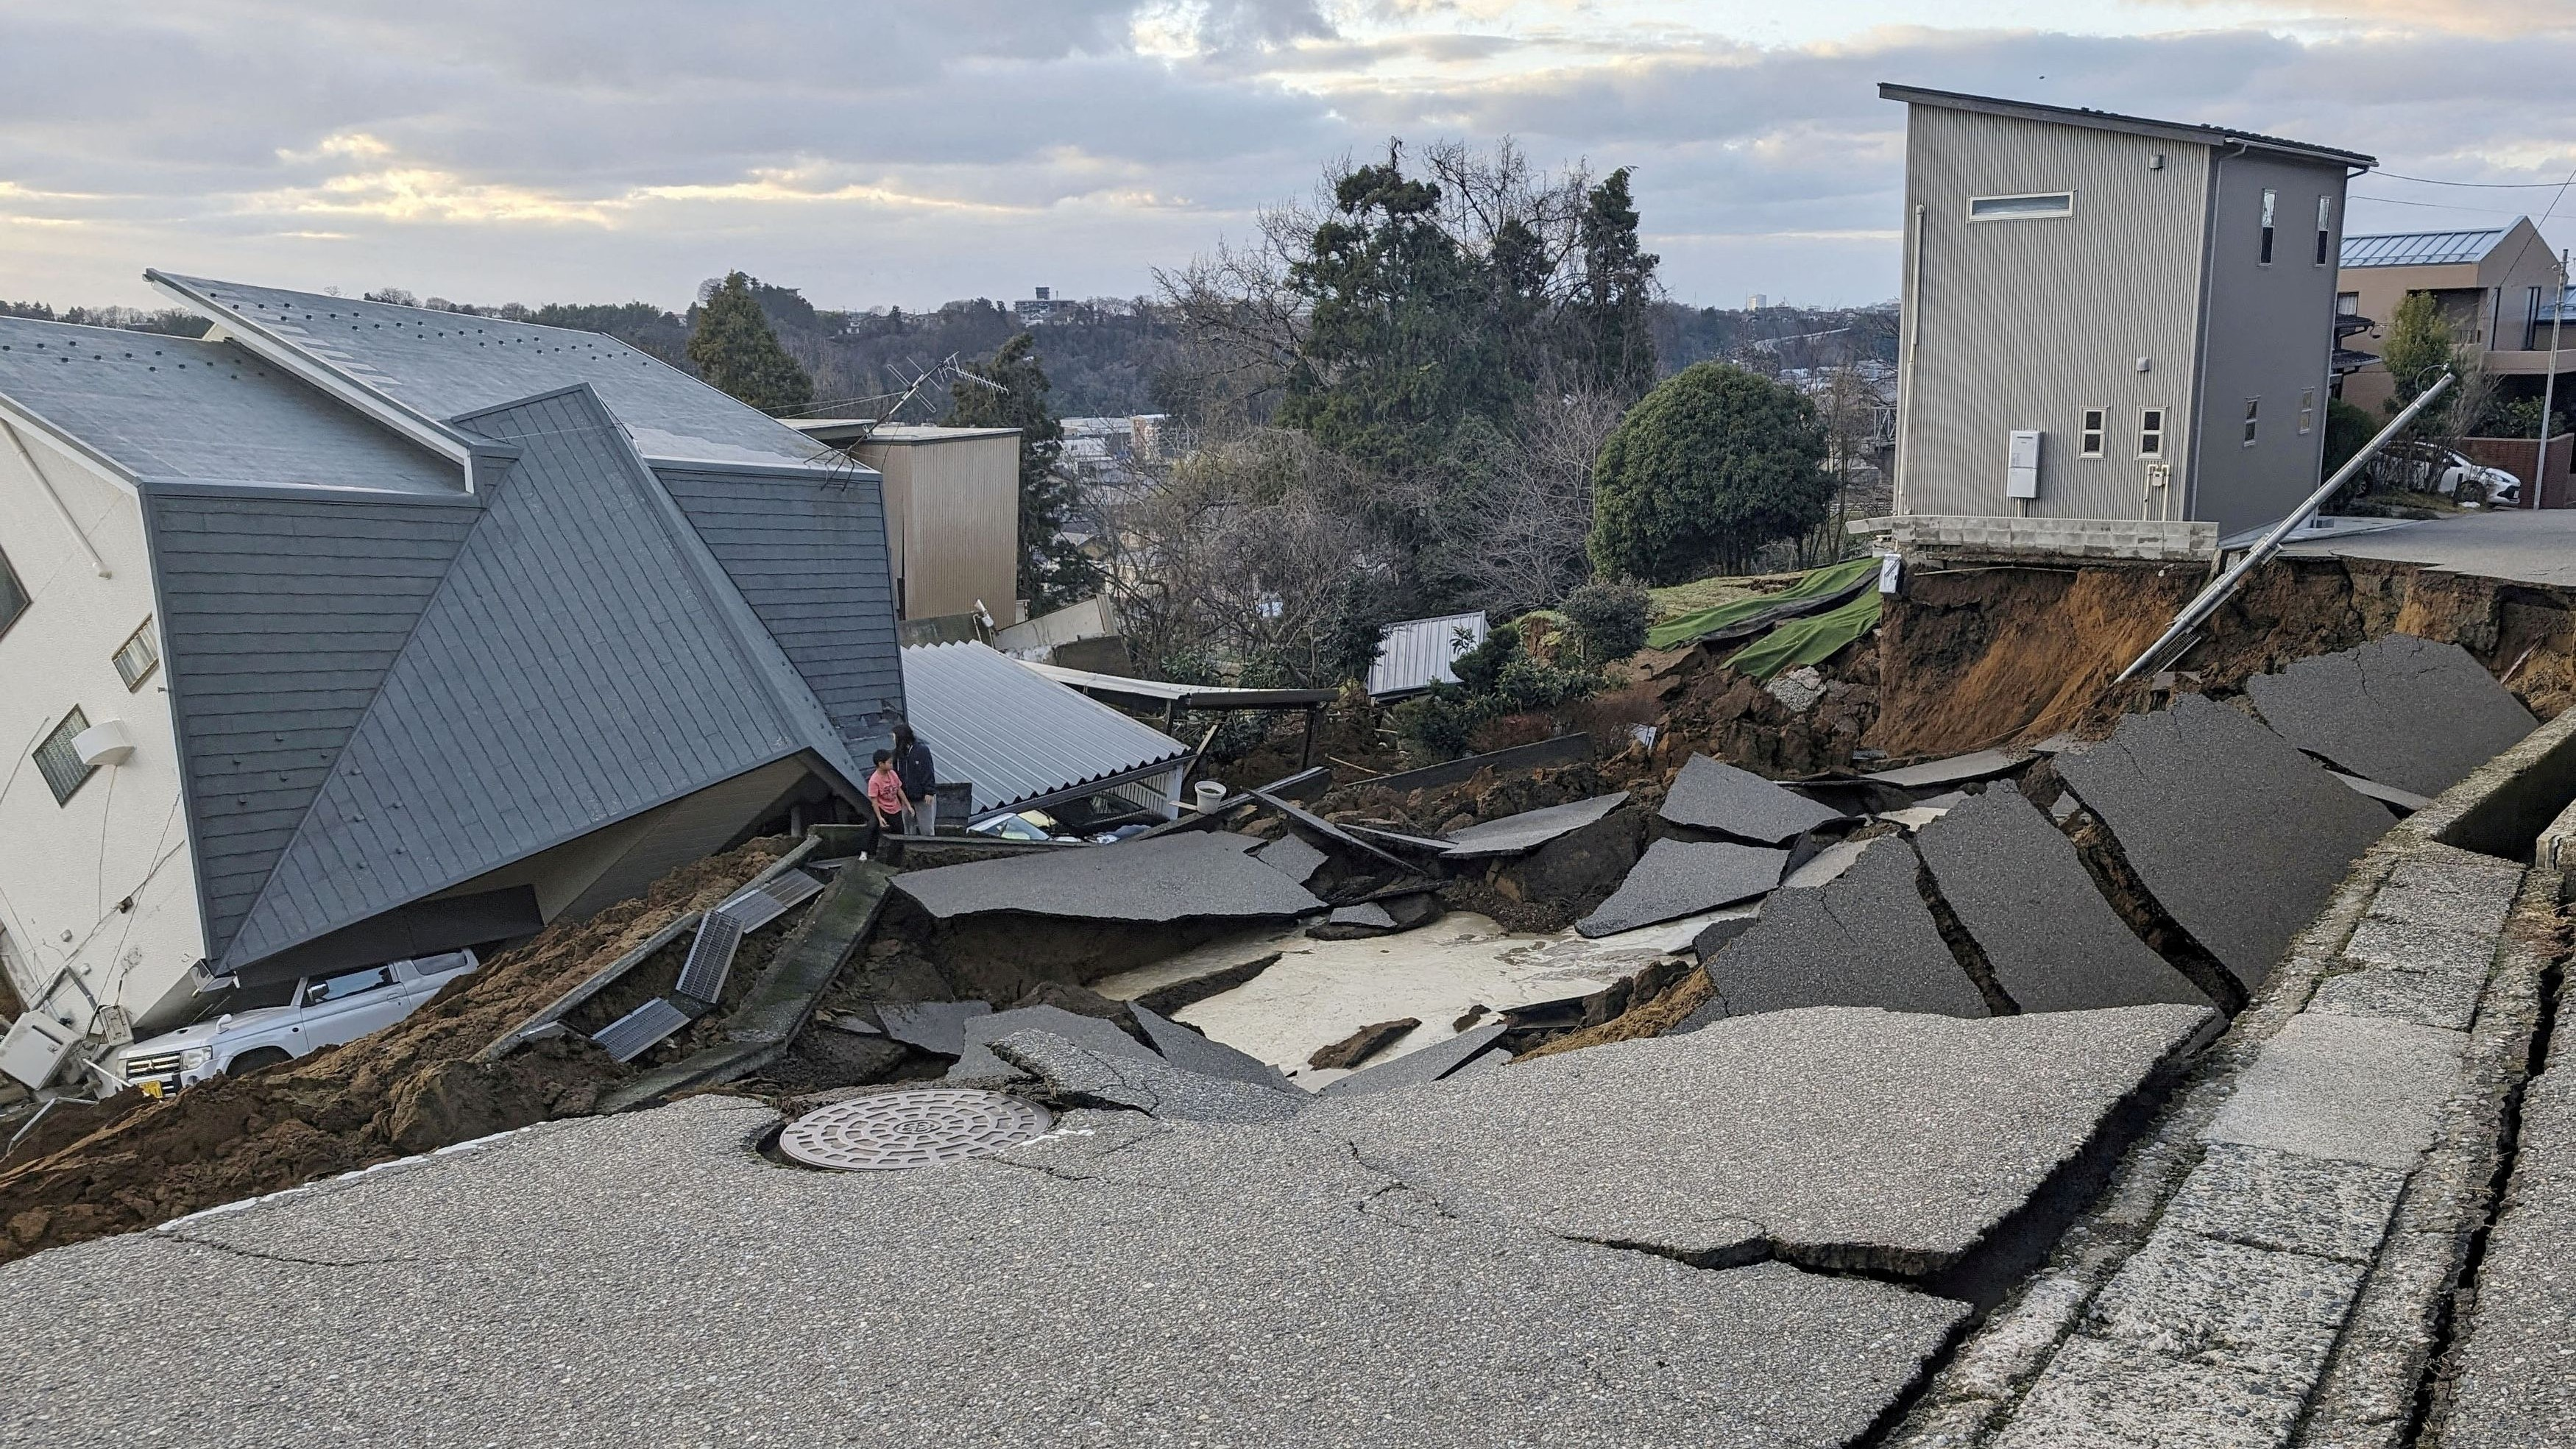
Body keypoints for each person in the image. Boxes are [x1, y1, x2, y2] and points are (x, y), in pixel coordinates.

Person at [891, 721, 937, 835]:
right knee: (907, 827)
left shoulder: (921, 751)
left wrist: (929, 791)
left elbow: (928, 771)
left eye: (894, 737)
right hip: (906, 798)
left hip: (922, 797)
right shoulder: (897, 754)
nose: (893, 739)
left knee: (926, 828)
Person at [865, 748, 906, 832]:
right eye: (889, 763)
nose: (892, 765)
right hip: (882, 808)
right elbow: (874, 801)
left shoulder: (893, 774)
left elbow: (899, 789)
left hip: (895, 808)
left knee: (899, 830)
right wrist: (880, 818)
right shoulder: (874, 780)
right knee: (872, 828)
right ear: (881, 764)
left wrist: (907, 805)